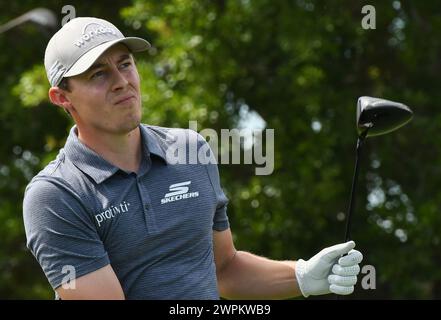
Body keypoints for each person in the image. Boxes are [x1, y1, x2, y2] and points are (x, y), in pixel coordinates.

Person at [23, 17, 363, 300]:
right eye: (99, 74)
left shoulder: (190, 149)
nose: (121, 82)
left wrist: (302, 275)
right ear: (62, 97)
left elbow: (224, 269)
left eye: (125, 64)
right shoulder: (56, 195)